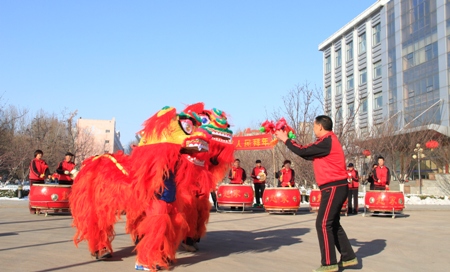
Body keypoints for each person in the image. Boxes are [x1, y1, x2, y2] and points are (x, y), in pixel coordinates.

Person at [275, 115, 357, 272]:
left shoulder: (327, 140)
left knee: (323, 223)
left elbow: (304, 151)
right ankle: (348, 257)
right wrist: (289, 140)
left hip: (334, 186)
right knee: (332, 224)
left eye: (314, 126)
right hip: (335, 186)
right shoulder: (326, 141)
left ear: (320, 127)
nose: (313, 128)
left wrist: (286, 139)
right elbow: (306, 151)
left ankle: (329, 263)